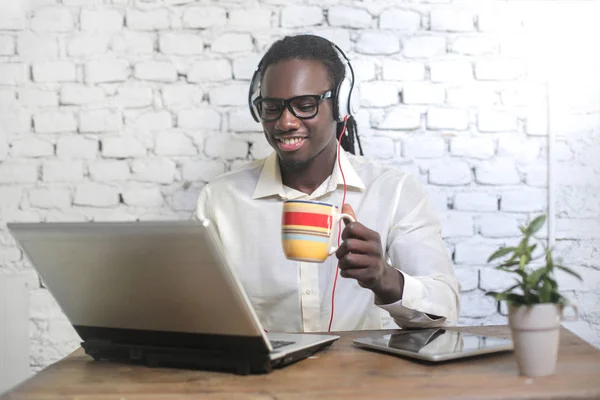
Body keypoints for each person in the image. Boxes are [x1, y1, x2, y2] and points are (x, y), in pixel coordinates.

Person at [193, 34, 460, 332]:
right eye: (272, 107)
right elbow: (195, 307)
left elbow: (445, 308)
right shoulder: (220, 199)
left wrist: (385, 278)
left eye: (305, 105)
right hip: (261, 377)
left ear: (342, 105)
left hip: (361, 375)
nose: (285, 122)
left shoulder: (392, 191)